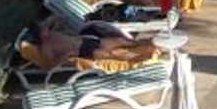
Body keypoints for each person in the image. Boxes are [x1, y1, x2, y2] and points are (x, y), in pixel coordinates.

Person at [28, 17, 163, 67]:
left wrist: (48, 22)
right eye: (42, 29)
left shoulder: (50, 33)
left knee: (122, 40)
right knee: (113, 55)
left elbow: (55, 18)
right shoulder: (45, 48)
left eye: (43, 27)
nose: (45, 29)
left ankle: (156, 44)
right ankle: (145, 59)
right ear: (39, 36)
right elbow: (50, 65)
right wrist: (65, 57)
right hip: (84, 51)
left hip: (88, 39)